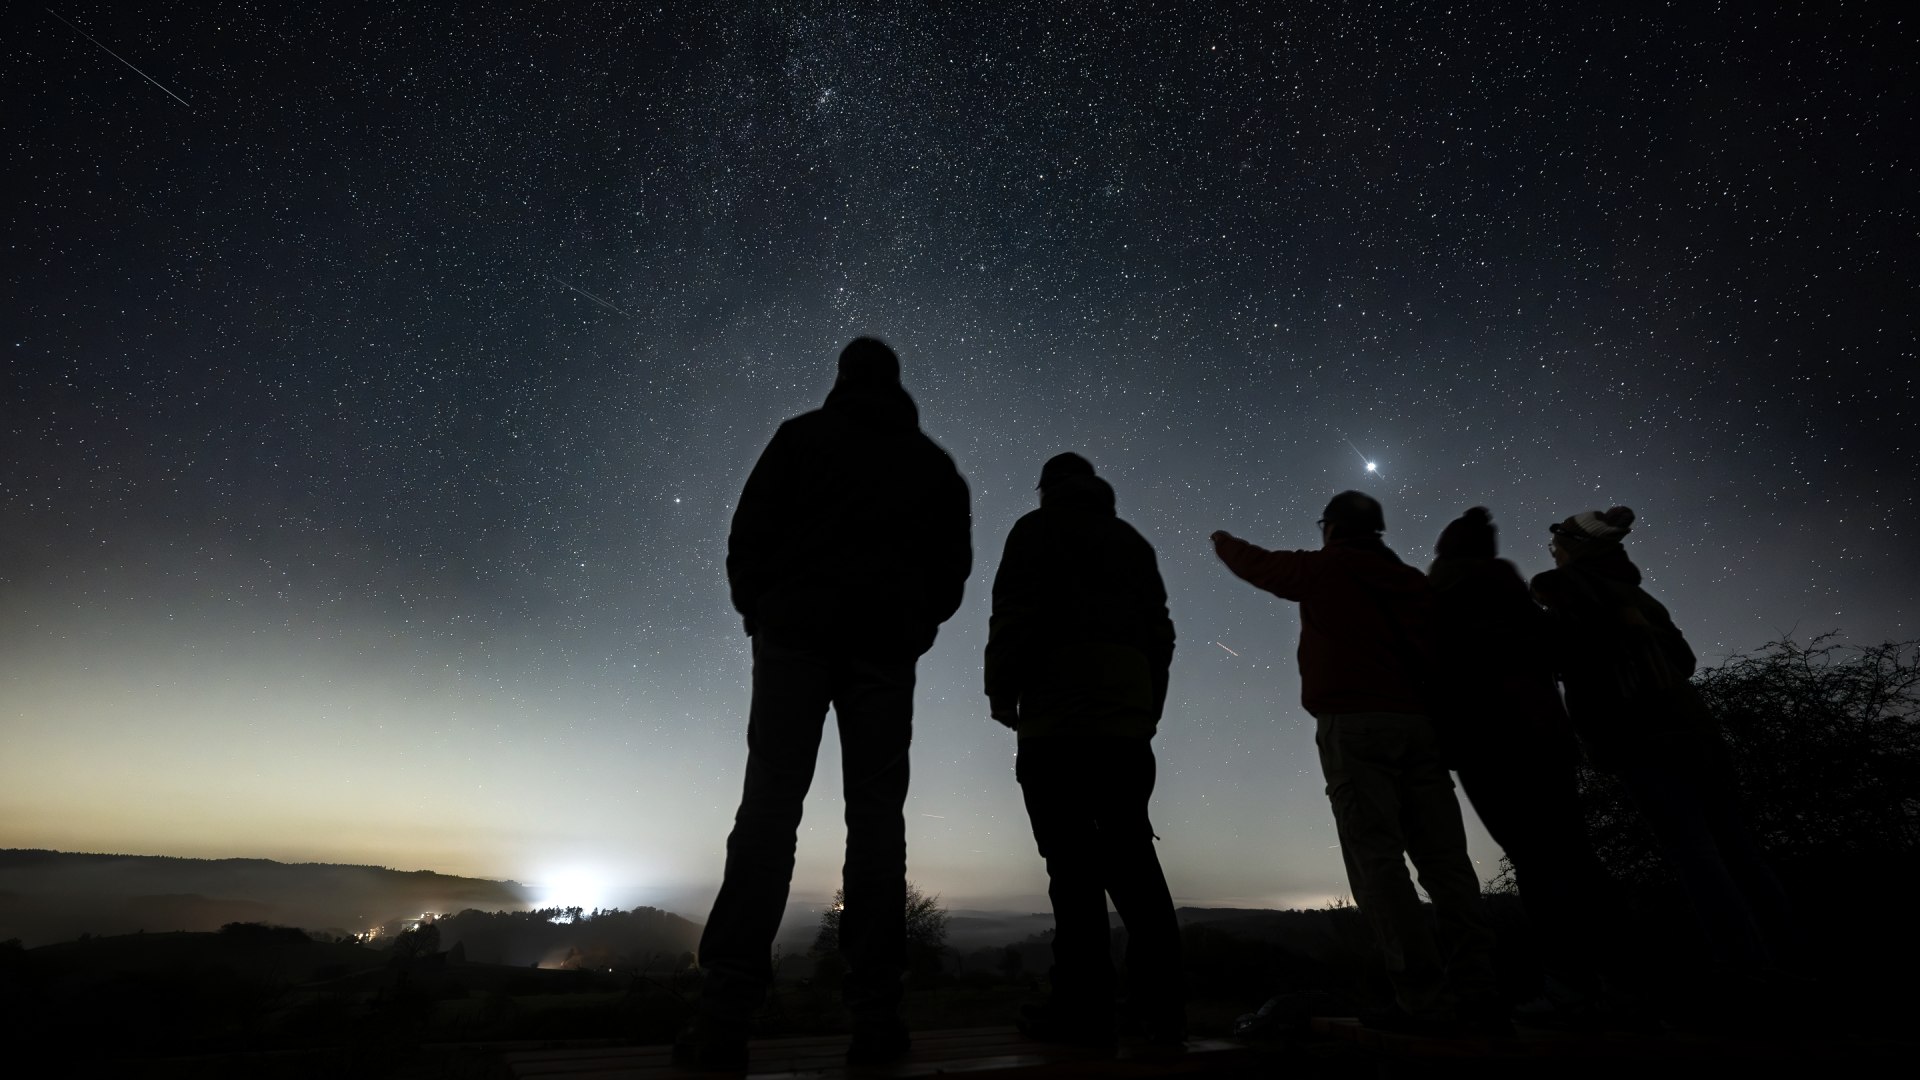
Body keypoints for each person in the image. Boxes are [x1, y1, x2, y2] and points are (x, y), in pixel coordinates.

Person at [677, 337, 972, 1072]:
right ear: (896, 384)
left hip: (795, 642)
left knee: (768, 813)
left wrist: (763, 607)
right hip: (881, 654)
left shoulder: (800, 437)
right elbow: (952, 572)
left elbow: (747, 534)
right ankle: (876, 1017)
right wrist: (912, 629)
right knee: (876, 825)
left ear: (842, 378)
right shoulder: (933, 465)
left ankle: (724, 1019)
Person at [1211, 491, 1500, 1034]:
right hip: (1420, 728)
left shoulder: (1326, 568)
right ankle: (1480, 992)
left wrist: (1221, 540)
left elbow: (1261, 567)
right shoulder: (1414, 582)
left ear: (1333, 528)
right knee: (1447, 865)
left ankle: (1422, 1000)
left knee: (1378, 864)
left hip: (1355, 726)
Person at [1530, 507, 1793, 1001]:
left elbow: (1563, 652)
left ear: (1576, 549)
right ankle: (1789, 965)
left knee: (1694, 852)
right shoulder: (1639, 595)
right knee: (1740, 851)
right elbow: (1685, 662)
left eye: (1558, 544)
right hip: (1698, 734)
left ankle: (1745, 972)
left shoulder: (1568, 592)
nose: (1553, 553)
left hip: (1644, 739)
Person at [985, 453, 1183, 1048]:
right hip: (1125, 727)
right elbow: (1160, 635)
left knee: (1071, 867)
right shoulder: (1132, 542)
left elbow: (1013, 615)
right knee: (1132, 860)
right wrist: (1149, 707)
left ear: (1046, 490)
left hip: (1056, 723)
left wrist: (1001, 692)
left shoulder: (1034, 529)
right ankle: (1159, 1011)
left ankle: (1083, 1008)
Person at [1426, 507, 1620, 1025]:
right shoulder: (1520, 596)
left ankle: (1568, 986)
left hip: (1488, 743)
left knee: (1536, 862)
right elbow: (1562, 650)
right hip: (1548, 736)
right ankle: (1624, 981)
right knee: (1575, 855)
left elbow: (1432, 673)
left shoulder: (1441, 597)